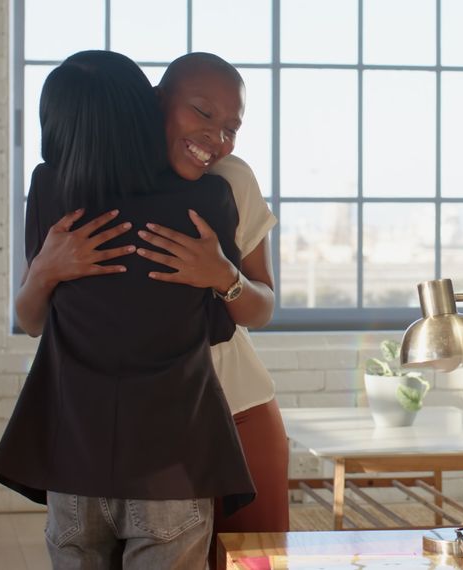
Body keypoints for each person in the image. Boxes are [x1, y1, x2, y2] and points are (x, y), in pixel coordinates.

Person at [0, 50, 254, 569]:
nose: (216, 134)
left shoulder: (50, 189)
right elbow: (220, 328)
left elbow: (32, 321)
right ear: (147, 106)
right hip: (172, 463)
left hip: (74, 462)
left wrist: (45, 273)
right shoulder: (211, 199)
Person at [153, 54, 289, 543]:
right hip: (151, 426)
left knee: (257, 560)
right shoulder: (105, 177)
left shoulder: (234, 178)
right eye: (202, 112)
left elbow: (264, 304)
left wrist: (223, 276)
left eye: (231, 126)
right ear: (158, 100)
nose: (217, 136)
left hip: (242, 411)